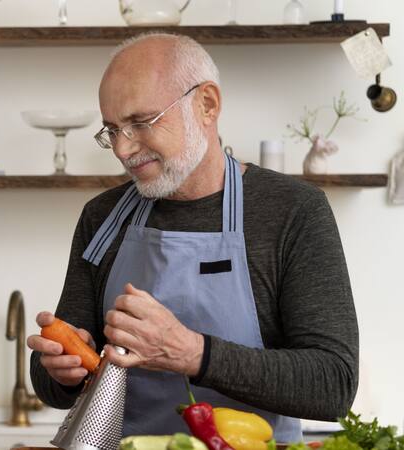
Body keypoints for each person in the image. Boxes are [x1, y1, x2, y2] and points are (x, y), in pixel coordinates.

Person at [27, 33, 358, 442]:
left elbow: (334, 384)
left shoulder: (293, 212)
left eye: (141, 123)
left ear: (207, 105)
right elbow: (52, 385)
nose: (123, 149)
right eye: (112, 130)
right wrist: (61, 369)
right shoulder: (102, 217)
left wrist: (193, 354)